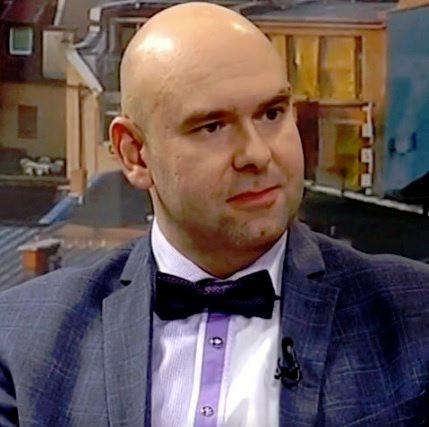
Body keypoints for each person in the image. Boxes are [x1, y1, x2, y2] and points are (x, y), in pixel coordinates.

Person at [0, 2, 428, 426]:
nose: (257, 154)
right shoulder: (23, 340)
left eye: (272, 113)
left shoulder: (415, 315)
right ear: (135, 154)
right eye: (212, 126)